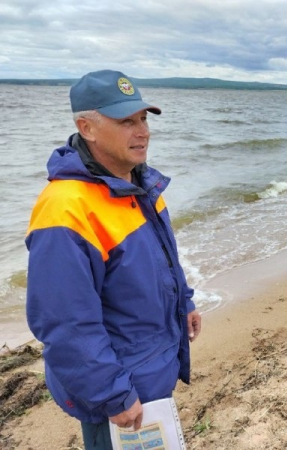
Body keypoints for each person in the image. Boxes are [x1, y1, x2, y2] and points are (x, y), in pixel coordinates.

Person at [25, 70, 201, 449]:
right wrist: (111, 394)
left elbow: (164, 256)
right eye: (126, 122)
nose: (142, 131)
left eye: (143, 119)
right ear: (86, 127)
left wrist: (184, 300)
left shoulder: (140, 184)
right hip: (119, 386)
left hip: (151, 366)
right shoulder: (65, 209)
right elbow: (64, 323)